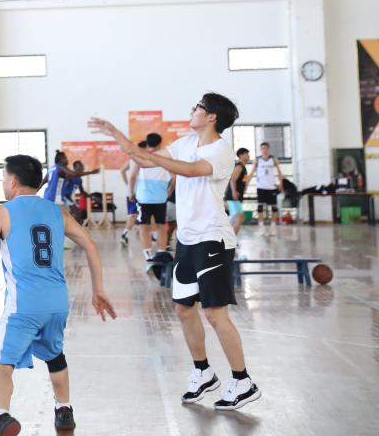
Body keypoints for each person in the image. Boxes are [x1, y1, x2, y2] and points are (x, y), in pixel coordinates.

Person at [90, 93, 261, 411]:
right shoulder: (185, 143)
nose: (192, 110)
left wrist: (155, 160)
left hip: (212, 240)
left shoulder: (221, 151)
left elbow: (192, 170)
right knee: (184, 309)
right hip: (187, 240)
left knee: (215, 314)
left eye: (198, 107)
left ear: (211, 117)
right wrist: (115, 133)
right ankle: (203, 372)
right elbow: (144, 159)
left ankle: (243, 381)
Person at [0, 154, 116, 436]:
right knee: (55, 355)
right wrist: (98, 289)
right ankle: (64, 409)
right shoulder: (58, 211)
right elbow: (90, 245)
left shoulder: (3, 212)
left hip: (24, 304)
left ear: (13, 182)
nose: (3, 184)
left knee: (1, 363)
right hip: (57, 303)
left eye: (3, 179)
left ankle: (0, 416)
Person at [130, 133, 173, 263]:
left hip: (144, 198)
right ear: (160, 144)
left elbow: (132, 176)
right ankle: (161, 252)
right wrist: (170, 189)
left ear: (147, 143)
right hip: (160, 198)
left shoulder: (141, 157)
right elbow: (174, 176)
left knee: (144, 226)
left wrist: (131, 192)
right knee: (161, 226)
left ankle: (148, 254)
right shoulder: (166, 157)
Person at [119, 142, 147, 245]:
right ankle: (124, 234)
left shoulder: (132, 159)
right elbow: (131, 176)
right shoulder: (140, 160)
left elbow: (122, 170)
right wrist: (130, 187)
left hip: (134, 191)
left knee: (138, 214)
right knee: (133, 215)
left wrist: (128, 186)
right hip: (136, 192)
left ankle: (151, 235)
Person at [252, 142, 283, 234]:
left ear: (268, 149)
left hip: (271, 187)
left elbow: (279, 172)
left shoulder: (273, 159)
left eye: (266, 148)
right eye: (262, 148)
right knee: (260, 207)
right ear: (260, 149)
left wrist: (281, 184)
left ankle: (273, 227)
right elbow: (251, 172)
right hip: (261, 187)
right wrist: (245, 182)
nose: (264, 150)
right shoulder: (257, 160)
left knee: (274, 208)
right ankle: (261, 227)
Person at [225, 148, 250, 235]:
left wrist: (244, 189)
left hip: (238, 196)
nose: (248, 156)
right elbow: (232, 180)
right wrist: (234, 191)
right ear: (241, 155)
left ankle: (228, 237)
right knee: (239, 217)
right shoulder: (239, 166)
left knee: (236, 217)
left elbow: (245, 181)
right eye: (246, 154)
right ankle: (228, 237)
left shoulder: (244, 168)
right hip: (233, 196)